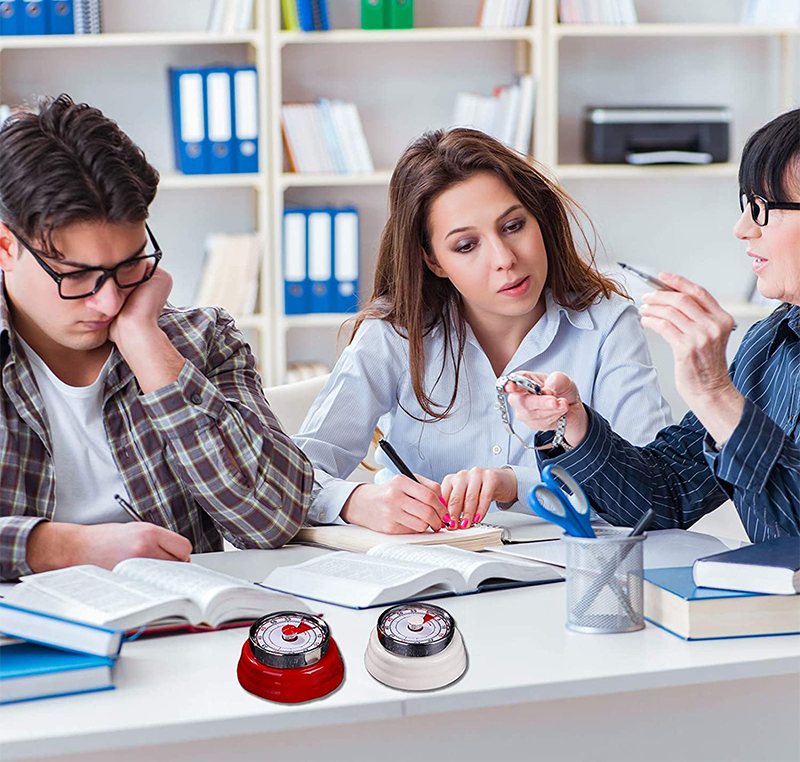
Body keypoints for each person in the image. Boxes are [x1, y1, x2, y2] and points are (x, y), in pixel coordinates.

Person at [293, 127, 672, 533]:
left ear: (538, 219)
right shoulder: (394, 336)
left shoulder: (608, 324)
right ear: (433, 261)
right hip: (428, 580)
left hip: (570, 579)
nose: (504, 259)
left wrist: (514, 485)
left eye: (512, 226)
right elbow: (294, 479)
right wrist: (355, 501)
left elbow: (650, 489)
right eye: (466, 246)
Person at [0, 95, 313, 581]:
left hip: (185, 636)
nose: (107, 303)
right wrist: (63, 546)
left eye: (129, 265)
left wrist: (147, 346)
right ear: (6, 247)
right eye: (78, 276)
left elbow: (271, 519)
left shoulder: (202, 339)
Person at [506, 108, 800, 542]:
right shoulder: (770, 345)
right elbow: (667, 495)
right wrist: (572, 424)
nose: (741, 229)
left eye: (761, 208)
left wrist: (715, 395)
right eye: (745, 205)